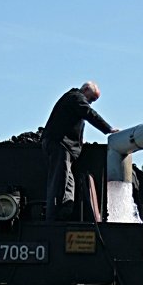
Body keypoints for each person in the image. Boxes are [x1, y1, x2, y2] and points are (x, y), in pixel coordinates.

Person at [41, 82, 118, 221]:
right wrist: (108, 129)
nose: (90, 103)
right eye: (92, 99)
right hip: (61, 144)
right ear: (86, 89)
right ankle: (55, 217)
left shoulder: (72, 100)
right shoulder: (76, 98)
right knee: (60, 181)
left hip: (65, 146)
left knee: (67, 181)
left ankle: (65, 210)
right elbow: (89, 113)